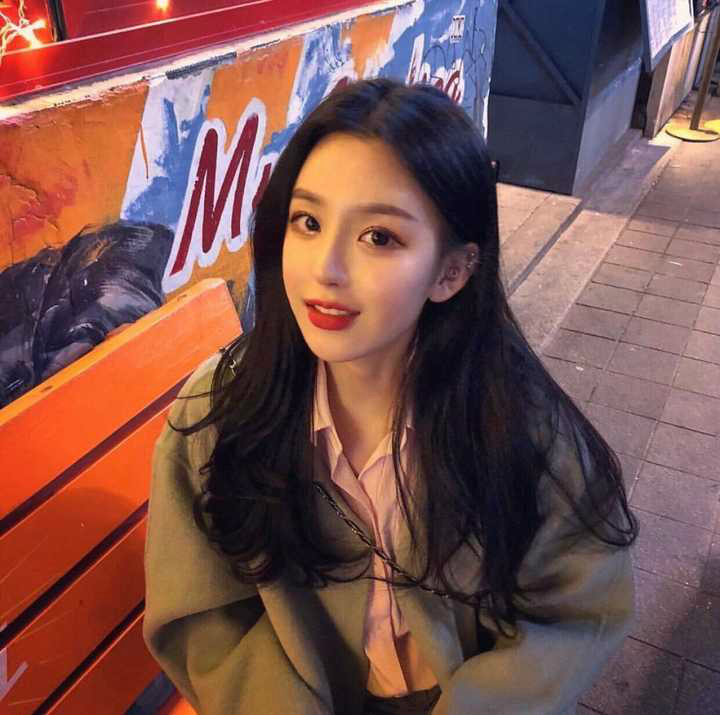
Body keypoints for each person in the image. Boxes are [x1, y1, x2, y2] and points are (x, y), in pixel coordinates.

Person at [143, 78, 637, 715]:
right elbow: (206, 621)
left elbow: (575, 608)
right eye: (308, 222)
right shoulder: (222, 413)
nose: (325, 269)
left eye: (379, 237)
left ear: (451, 272)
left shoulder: (516, 421)